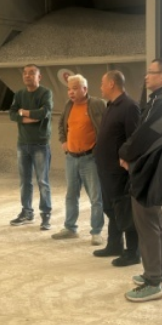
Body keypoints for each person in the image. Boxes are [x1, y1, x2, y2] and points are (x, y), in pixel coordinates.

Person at [119, 58, 162, 302]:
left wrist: (125, 153)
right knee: (154, 222)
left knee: (147, 225)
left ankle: (153, 280)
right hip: (150, 168)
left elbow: (146, 135)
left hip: (149, 170)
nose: (146, 76)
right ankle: (159, 272)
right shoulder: (160, 100)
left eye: (151, 72)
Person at [93, 70, 141, 265]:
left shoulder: (129, 106)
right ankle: (114, 244)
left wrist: (126, 160)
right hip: (106, 169)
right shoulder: (111, 105)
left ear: (112, 84)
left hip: (119, 171)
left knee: (124, 209)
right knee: (111, 209)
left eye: (102, 83)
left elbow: (134, 138)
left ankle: (133, 252)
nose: (100, 87)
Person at [53, 74, 106, 243]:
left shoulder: (97, 104)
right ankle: (70, 228)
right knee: (71, 195)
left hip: (90, 158)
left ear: (85, 89)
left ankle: (96, 232)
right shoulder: (68, 105)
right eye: (69, 89)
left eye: (75, 89)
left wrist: (99, 149)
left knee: (95, 197)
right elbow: (61, 125)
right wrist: (63, 141)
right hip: (71, 158)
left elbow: (107, 127)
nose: (71, 92)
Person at [8, 64, 53, 230]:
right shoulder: (19, 94)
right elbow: (12, 114)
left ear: (39, 77)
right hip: (23, 144)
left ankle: (46, 215)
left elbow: (44, 113)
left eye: (32, 73)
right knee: (25, 181)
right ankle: (27, 213)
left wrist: (24, 112)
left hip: (40, 144)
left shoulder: (46, 93)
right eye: (25, 73)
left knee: (43, 181)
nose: (27, 76)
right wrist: (27, 117)